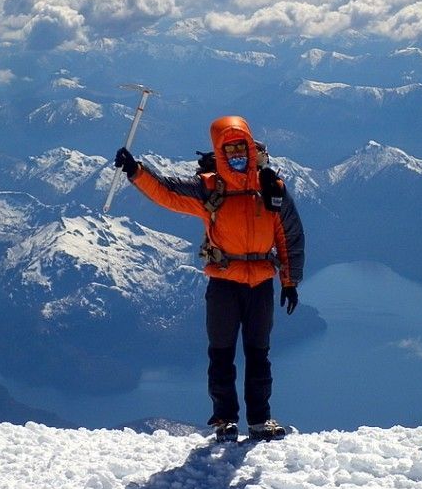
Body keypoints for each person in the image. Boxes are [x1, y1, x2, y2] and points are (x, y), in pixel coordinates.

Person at [114, 115, 305, 442]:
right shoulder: (210, 190)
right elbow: (168, 193)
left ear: (249, 146)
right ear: (219, 151)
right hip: (224, 283)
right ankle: (225, 420)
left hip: (260, 284)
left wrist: (290, 281)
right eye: (229, 150)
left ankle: (260, 420)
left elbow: (289, 236)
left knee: (259, 355)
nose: (236, 155)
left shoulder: (271, 189)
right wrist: (136, 171)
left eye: (240, 148)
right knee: (222, 354)